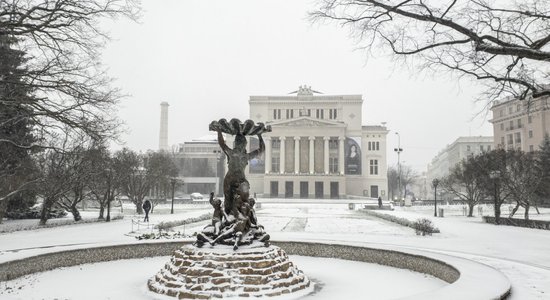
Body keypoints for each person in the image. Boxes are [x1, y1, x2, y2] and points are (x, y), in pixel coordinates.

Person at [217, 130, 264, 215]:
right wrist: (259, 135)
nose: (241, 145)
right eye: (240, 143)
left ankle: (243, 220)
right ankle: (230, 220)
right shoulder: (237, 154)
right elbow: (261, 150)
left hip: (237, 181)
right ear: (237, 144)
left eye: (242, 143)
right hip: (232, 181)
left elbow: (261, 150)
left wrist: (260, 136)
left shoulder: (238, 154)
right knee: (229, 202)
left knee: (242, 201)